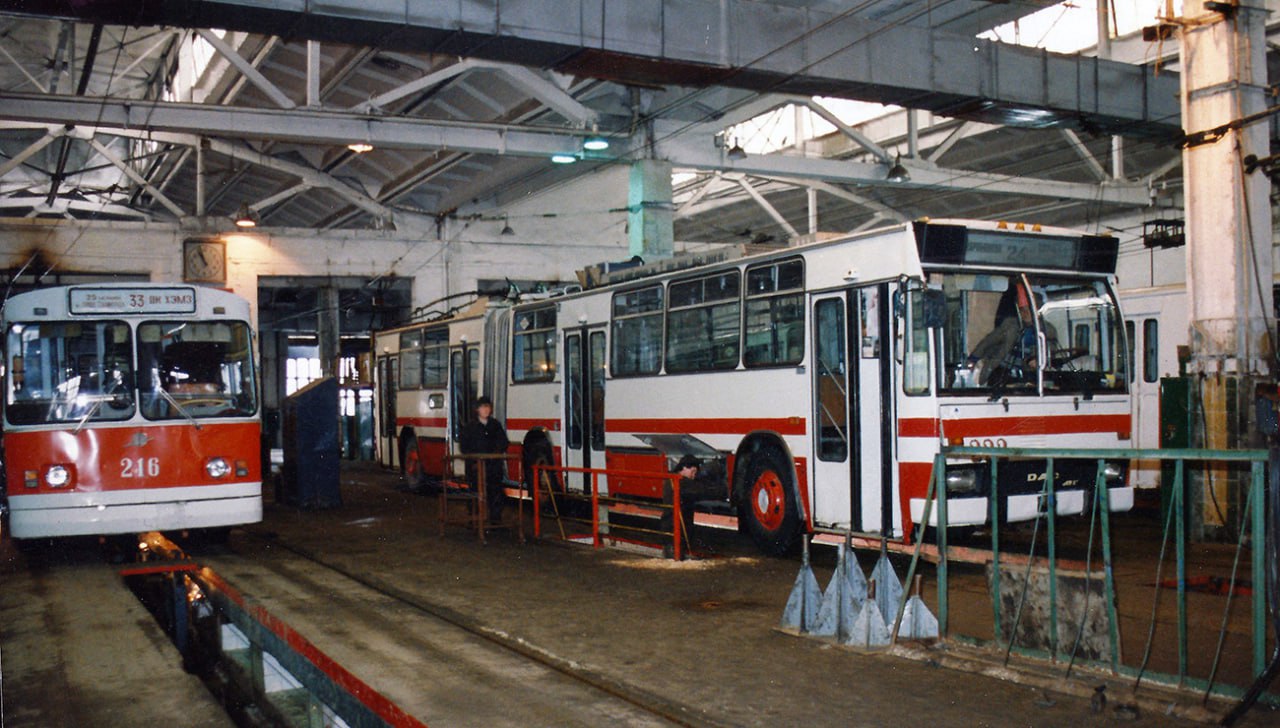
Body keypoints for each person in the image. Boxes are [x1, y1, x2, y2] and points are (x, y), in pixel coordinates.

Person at [459, 395, 510, 523]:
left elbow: (504, 442)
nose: (486, 409)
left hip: (493, 468)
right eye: (483, 407)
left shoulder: (495, 425)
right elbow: (464, 447)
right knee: (475, 494)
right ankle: (474, 520)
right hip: (476, 468)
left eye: (488, 406)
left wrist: (495, 453)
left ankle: (495, 520)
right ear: (477, 409)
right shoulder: (470, 427)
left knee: (496, 493)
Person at [659, 454, 721, 559]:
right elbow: (701, 491)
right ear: (684, 467)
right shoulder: (682, 482)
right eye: (693, 472)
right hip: (676, 532)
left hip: (670, 531)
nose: (693, 476)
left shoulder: (671, 480)